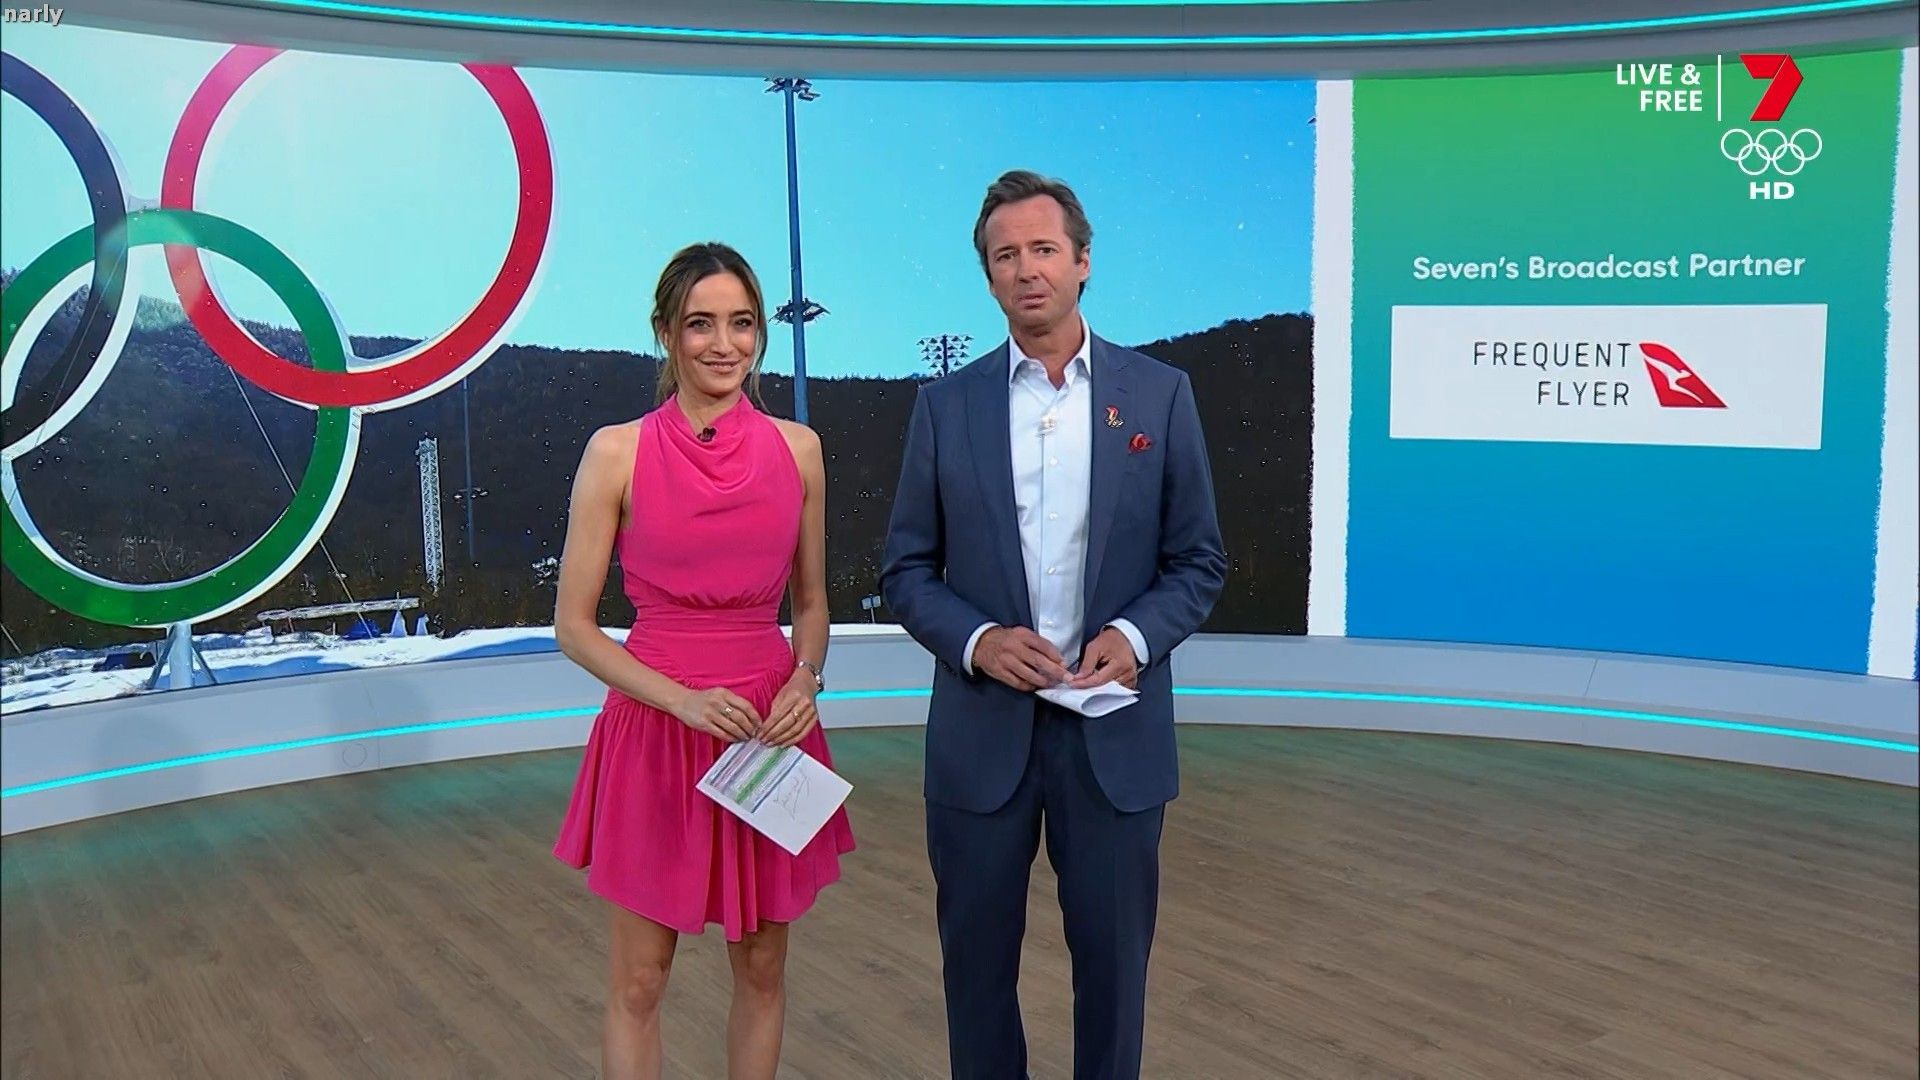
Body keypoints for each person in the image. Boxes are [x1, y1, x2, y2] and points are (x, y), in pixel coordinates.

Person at [879, 170, 1227, 1079]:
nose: (1026, 269)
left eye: (1043, 249)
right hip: (980, 739)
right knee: (976, 977)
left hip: (1113, 741)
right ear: (988, 276)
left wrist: (1136, 639)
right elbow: (906, 571)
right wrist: (980, 642)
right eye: (1006, 255)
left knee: (1114, 978)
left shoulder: (1160, 395)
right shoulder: (943, 407)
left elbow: (1198, 561)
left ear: (1082, 262)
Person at [551, 242, 854, 1080]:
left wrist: (807, 679)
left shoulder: (799, 449)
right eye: (701, 325)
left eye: (742, 323)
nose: (725, 345)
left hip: (767, 730)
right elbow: (574, 628)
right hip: (657, 730)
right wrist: (680, 701)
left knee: (762, 968)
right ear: (665, 333)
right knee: (640, 981)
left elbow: (812, 605)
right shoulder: (616, 452)